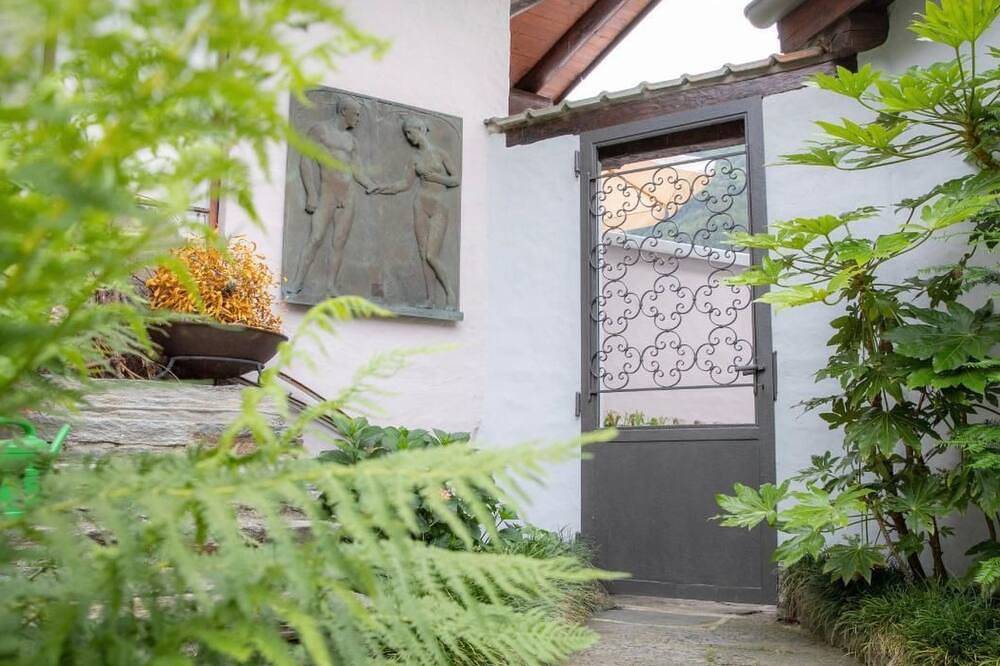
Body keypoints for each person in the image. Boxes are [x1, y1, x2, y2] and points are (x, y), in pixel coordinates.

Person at [287, 96, 375, 296]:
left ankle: (330, 286)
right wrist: (311, 193)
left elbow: (356, 169)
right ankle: (297, 282)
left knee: (339, 242)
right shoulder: (320, 131)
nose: (359, 119)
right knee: (315, 238)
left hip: (349, 195)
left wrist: (372, 185)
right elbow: (306, 161)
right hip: (327, 194)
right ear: (344, 111)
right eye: (357, 114)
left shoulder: (352, 140)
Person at [372, 116, 460, 308]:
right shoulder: (415, 158)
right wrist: (381, 187)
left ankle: (449, 293)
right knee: (422, 254)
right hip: (420, 204)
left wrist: (437, 178)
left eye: (410, 133)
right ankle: (430, 299)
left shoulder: (440, 154)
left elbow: (455, 180)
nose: (409, 138)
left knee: (431, 255)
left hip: (439, 206)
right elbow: (405, 184)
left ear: (420, 129)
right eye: (406, 135)